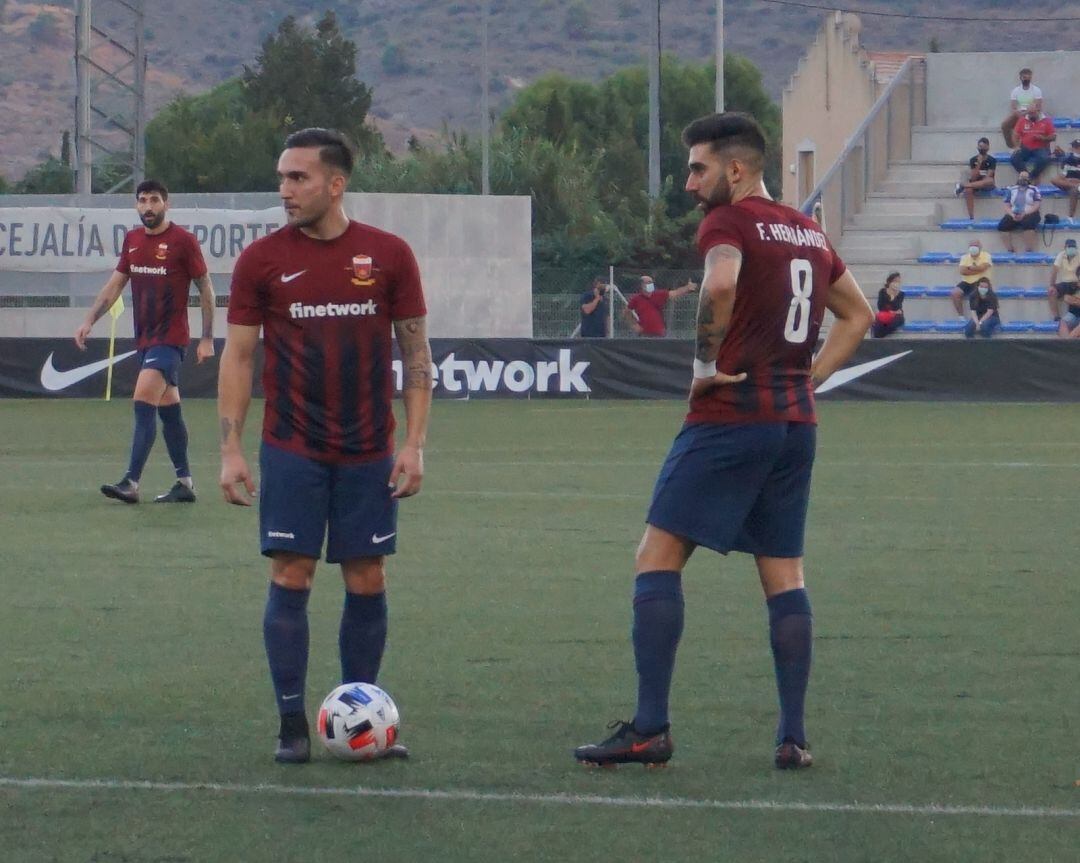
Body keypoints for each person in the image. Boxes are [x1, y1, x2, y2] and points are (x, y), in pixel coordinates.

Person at [573, 112, 873, 771]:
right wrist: (810, 378)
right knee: (784, 573)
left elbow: (722, 281)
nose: (689, 184)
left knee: (656, 556)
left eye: (698, 168)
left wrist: (704, 367)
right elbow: (859, 314)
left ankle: (650, 728)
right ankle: (793, 736)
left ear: (736, 170)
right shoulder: (807, 229)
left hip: (733, 414)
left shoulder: (728, 222)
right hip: (795, 424)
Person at [217, 128, 432, 764]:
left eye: (298, 178)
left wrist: (414, 444)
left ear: (335, 184)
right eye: (282, 178)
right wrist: (230, 448)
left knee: (367, 576)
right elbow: (238, 356)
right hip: (292, 447)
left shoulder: (389, 255)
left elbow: (416, 355)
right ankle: (290, 725)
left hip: (370, 448)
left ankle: (360, 711)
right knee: (292, 571)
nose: (285, 190)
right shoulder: (261, 260)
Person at [74, 179, 215, 504]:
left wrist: (207, 337)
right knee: (169, 411)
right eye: (142, 200)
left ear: (166, 204)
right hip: (145, 340)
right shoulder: (133, 240)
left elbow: (206, 288)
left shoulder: (183, 241)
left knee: (142, 402)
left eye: (154, 200)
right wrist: (88, 320)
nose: (148, 206)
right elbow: (114, 286)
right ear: (136, 205)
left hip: (171, 340)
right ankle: (185, 483)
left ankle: (131, 482)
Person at [624, 275, 698, 336]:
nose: (651, 284)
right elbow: (626, 312)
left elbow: (674, 293)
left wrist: (687, 288)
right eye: (649, 282)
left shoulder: (659, 294)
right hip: (644, 333)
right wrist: (634, 325)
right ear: (642, 285)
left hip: (659, 333)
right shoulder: (636, 299)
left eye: (652, 282)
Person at [998, 172, 1041, 254]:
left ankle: (1029, 249)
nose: (1023, 179)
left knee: (1029, 224)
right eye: (1021, 177)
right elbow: (1006, 205)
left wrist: (1025, 213)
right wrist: (1011, 214)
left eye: (1025, 177)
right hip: (1014, 212)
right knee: (1002, 226)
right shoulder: (1011, 189)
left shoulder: (1034, 189)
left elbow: (1037, 205)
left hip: (1030, 212)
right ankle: (1010, 249)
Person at [953, 137, 996, 221]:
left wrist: (980, 180)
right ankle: (971, 217)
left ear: (988, 147)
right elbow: (973, 178)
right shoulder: (973, 160)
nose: (981, 149)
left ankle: (962, 186)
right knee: (968, 190)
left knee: (990, 181)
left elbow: (988, 176)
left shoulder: (992, 160)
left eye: (983, 147)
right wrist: (979, 164)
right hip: (975, 183)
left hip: (987, 184)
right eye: (980, 147)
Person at [1010, 106, 1056, 181]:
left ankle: (1032, 176)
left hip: (1041, 147)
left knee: (1044, 159)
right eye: (1029, 113)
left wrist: (1043, 138)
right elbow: (1015, 135)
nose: (1031, 115)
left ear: (1038, 112)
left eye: (1033, 113)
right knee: (1014, 158)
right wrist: (1016, 146)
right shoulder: (1022, 120)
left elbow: (1053, 137)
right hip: (1025, 147)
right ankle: (1026, 175)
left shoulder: (1046, 121)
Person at [1000, 67, 1043, 148]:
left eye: (1028, 77)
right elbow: (1013, 108)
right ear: (1020, 78)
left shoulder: (1036, 90)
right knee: (1005, 125)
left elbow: (1038, 107)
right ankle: (1012, 146)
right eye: (1024, 77)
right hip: (1019, 114)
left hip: (1032, 113)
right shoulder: (1015, 91)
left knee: (1026, 121)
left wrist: (1028, 112)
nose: (1026, 79)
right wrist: (1020, 114)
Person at [951, 238, 993, 317]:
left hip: (981, 282)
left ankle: (977, 317)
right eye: (971, 246)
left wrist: (970, 268)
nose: (973, 248)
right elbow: (962, 271)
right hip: (966, 282)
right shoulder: (965, 257)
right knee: (955, 293)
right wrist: (977, 269)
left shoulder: (986, 255)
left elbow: (983, 268)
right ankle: (961, 317)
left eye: (976, 245)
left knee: (975, 295)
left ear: (980, 247)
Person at [1048, 238, 1080, 335]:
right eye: (1069, 247)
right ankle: (1056, 317)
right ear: (1065, 247)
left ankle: (1067, 344)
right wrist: (1051, 285)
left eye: (1073, 247)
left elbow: (1070, 300)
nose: (1071, 249)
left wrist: (1074, 301)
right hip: (1067, 283)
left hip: (1074, 281)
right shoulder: (1061, 255)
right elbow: (1054, 271)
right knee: (1062, 323)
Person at [1049, 139, 1080, 223]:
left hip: (1075, 183)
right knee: (1054, 179)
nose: (1073, 149)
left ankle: (1071, 216)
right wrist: (1069, 180)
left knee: (1074, 190)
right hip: (1070, 183)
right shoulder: (1068, 159)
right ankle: (1076, 186)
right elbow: (1063, 175)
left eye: (1075, 147)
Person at [872, 272, 905, 338]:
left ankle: (880, 335)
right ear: (889, 282)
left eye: (898, 282)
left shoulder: (901, 294)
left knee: (899, 320)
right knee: (878, 321)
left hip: (896, 316)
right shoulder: (882, 292)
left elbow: (898, 307)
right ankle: (878, 336)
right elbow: (880, 306)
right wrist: (891, 310)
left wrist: (893, 297)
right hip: (885, 314)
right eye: (895, 281)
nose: (896, 284)